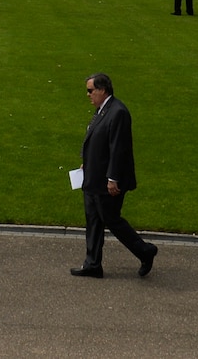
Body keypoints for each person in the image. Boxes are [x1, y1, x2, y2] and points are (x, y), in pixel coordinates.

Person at [71, 72, 156, 278]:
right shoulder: (102, 110)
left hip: (106, 182)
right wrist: (87, 162)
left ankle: (145, 251)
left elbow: (119, 148)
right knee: (93, 221)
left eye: (90, 91)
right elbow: (97, 140)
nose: (88, 95)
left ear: (102, 90)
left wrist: (113, 179)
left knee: (111, 220)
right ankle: (92, 264)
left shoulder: (118, 112)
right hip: (93, 178)